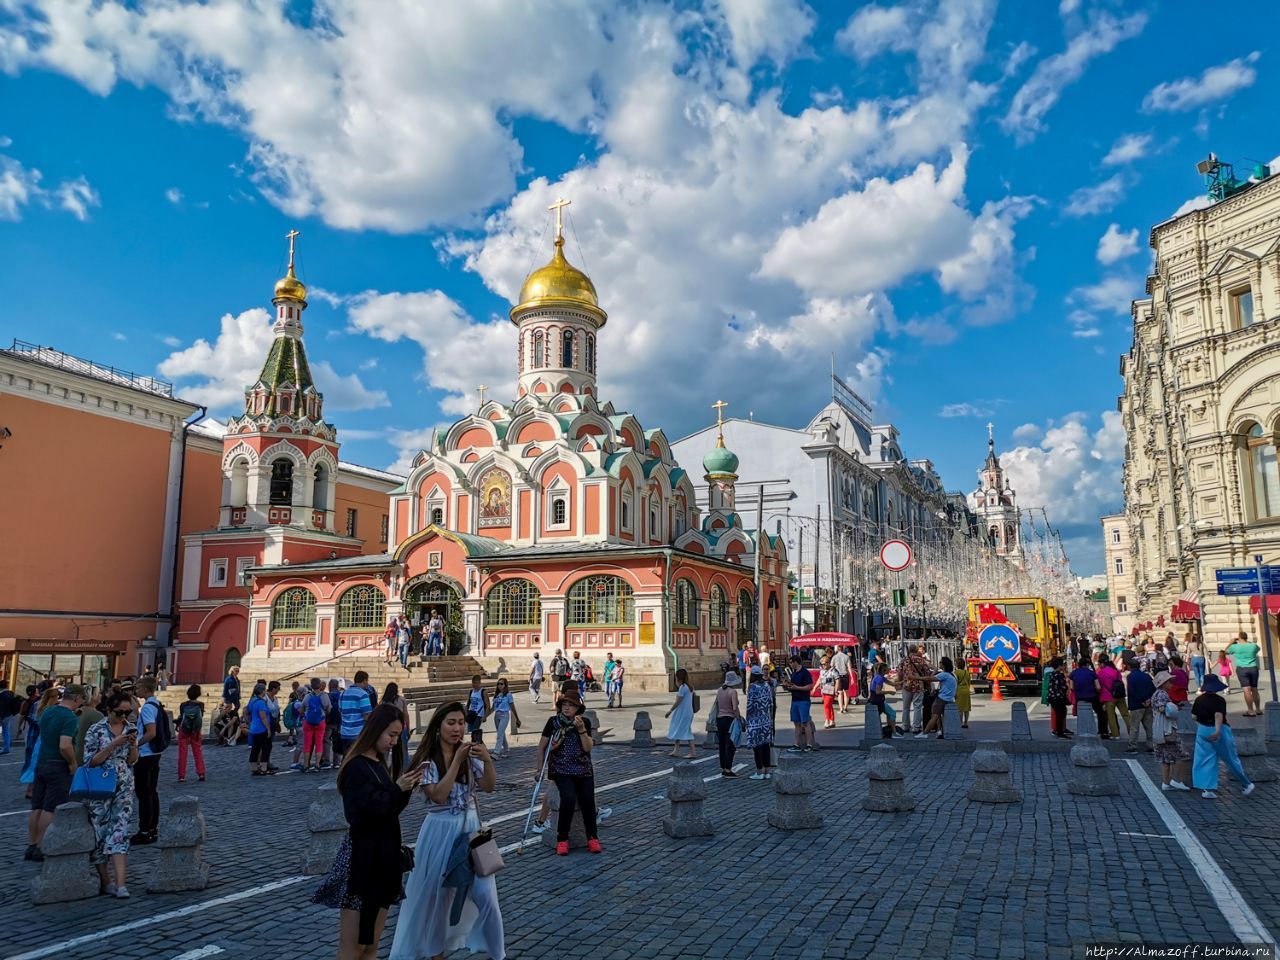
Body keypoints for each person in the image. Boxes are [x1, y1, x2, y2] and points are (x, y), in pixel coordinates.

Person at [314, 703, 423, 960]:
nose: (394, 742)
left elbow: (389, 810)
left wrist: (406, 789)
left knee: (371, 945)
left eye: (397, 736)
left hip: (384, 859)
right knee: (353, 949)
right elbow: (359, 814)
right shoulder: (356, 766)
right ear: (376, 730)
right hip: (362, 862)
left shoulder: (379, 763)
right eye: (391, 735)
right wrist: (396, 789)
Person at [83, 690, 139, 897]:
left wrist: (133, 746)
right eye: (119, 712)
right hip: (99, 784)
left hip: (124, 784)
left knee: (120, 830)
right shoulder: (96, 730)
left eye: (127, 712)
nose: (124, 716)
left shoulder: (130, 728)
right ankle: (106, 881)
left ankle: (121, 883)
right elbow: (90, 761)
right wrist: (113, 744)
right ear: (108, 710)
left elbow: (132, 760)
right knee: (100, 832)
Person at [536, 687, 601, 857]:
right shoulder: (553, 722)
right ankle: (562, 839)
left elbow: (588, 747)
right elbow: (542, 747)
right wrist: (539, 770)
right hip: (561, 769)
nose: (567, 707)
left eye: (571, 705)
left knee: (588, 801)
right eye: (564, 704)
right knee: (569, 798)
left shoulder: (584, 722)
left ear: (578, 708)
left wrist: (581, 730)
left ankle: (592, 837)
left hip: (583, 769)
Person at [24, 684, 84, 862]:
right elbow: (65, 745)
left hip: (42, 762)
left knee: (37, 806)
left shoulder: (48, 711)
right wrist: (72, 763)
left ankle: (31, 844)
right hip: (58, 765)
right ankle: (41, 846)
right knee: (50, 808)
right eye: (81, 699)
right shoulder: (69, 717)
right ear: (76, 698)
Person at [1191, 675, 1254, 800]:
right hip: (1219, 729)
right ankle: (1246, 783)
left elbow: (1194, 716)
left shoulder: (1199, 699)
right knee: (1230, 758)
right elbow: (1218, 716)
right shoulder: (1219, 700)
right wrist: (1217, 730)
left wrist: (1202, 725)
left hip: (1202, 729)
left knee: (1204, 758)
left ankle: (1207, 789)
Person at [131, 677, 165, 844]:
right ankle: (152, 827)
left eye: (138, 687)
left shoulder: (147, 708)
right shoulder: (156, 704)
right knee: (151, 792)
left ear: (145, 689)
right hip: (155, 752)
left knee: (144, 793)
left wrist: (136, 744)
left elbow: (151, 732)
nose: (135, 690)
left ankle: (144, 830)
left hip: (145, 754)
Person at [1150, 671, 1191, 792]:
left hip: (1158, 729)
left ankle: (1166, 782)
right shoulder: (1162, 694)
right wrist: (1174, 707)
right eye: (1169, 682)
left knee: (1165, 758)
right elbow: (1165, 710)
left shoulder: (1156, 694)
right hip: (1167, 728)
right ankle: (1177, 780)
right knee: (1182, 755)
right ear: (1163, 683)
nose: (1172, 684)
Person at [745, 666, 775, 779]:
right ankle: (767, 771)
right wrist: (770, 717)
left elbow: (750, 705)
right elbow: (771, 703)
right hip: (766, 720)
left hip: (755, 720)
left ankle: (759, 771)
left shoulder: (752, 687)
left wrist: (747, 719)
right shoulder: (766, 685)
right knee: (766, 745)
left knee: (757, 746)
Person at [781, 655, 816, 752]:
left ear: (795, 662)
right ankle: (797, 744)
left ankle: (809, 744)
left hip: (803, 700)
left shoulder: (805, 673)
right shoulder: (794, 673)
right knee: (796, 723)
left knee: (805, 723)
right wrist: (787, 685)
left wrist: (797, 688)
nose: (790, 664)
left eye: (791, 662)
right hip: (794, 700)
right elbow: (793, 686)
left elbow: (810, 686)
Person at [297, 678, 331, 773]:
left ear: (311, 686)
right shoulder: (324, 696)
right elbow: (329, 709)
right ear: (320, 685)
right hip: (320, 722)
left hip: (308, 722)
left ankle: (306, 765)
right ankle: (317, 764)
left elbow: (301, 709)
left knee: (307, 744)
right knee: (319, 743)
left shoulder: (307, 696)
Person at [1225, 632, 1263, 717]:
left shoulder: (1235, 647)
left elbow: (1225, 652)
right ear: (1246, 637)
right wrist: (1248, 642)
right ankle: (1258, 709)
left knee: (1246, 690)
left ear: (1239, 638)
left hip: (1242, 669)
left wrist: (1231, 643)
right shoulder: (1253, 645)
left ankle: (1250, 711)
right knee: (1254, 689)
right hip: (1253, 668)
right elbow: (1258, 649)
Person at [714, 671, 744, 777]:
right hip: (729, 720)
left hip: (720, 719)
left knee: (722, 744)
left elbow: (717, 705)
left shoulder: (719, 690)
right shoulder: (733, 692)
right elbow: (735, 708)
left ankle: (723, 767)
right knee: (730, 745)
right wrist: (739, 719)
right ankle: (728, 769)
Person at [898, 646, 931, 735]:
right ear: (916, 651)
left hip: (906, 684)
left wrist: (900, 683)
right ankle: (916, 727)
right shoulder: (920, 660)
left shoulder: (904, 660)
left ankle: (905, 726)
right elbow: (927, 672)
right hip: (918, 685)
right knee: (917, 706)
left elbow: (899, 673)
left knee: (906, 707)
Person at [920, 657, 957, 739]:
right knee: (939, 716)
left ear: (943, 665)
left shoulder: (944, 674)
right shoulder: (953, 675)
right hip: (949, 699)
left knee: (934, 716)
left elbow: (929, 679)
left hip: (942, 699)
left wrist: (915, 678)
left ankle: (925, 733)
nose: (939, 663)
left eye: (940, 662)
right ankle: (939, 731)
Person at [176, 684, 207, 782]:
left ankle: (181, 775)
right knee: (197, 751)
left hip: (184, 728)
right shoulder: (201, 705)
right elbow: (200, 716)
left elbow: (181, 716)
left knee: (182, 752)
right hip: (195, 730)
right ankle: (201, 773)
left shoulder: (183, 705)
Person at [664, 668, 696, 758]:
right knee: (679, 729)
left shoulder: (682, 688)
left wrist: (670, 711)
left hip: (683, 712)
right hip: (687, 712)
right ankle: (676, 750)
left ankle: (692, 752)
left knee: (686, 731)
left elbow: (678, 702)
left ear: (678, 678)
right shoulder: (689, 686)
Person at [1123, 661, 1154, 754]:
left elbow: (1132, 691)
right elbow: (1153, 688)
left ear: (1130, 666)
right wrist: (1148, 699)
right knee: (1149, 726)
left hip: (1136, 705)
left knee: (1134, 727)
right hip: (1148, 704)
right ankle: (1151, 745)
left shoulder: (1130, 677)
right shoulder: (1146, 676)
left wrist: (1141, 701)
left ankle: (1132, 746)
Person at [340, 671, 375, 754]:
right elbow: (367, 715)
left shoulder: (343, 693)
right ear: (364, 680)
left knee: (346, 757)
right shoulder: (363, 694)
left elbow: (341, 711)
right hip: (358, 733)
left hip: (344, 732)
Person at [1069, 658, 1104, 736]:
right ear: (1087, 664)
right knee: (1100, 712)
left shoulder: (1073, 673)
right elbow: (1098, 687)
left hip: (1079, 697)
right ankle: (1102, 730)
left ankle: (1082, 729)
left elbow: (1071, 687)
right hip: (1091, 696)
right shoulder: (1092, 673)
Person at [246, 682, 275, 777]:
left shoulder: (252, 701)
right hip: (261, 729)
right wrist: (268, 728)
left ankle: (254, 768)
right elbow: (263, 717)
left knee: (255, 748)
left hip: (254, 728)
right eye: (264, 690)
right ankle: (263, 768)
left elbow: (246, 712)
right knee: (266, 748)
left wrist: (249, 722)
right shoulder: (261, 703)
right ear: (262, 691)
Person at [1097, 654, 1127, 740]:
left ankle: (1115, 734)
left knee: (1111, 717)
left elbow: (1099, 685)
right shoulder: (1116, 671)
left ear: (1102, 664)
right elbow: (1120, 680)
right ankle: (1132, 732)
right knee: (1125, 715)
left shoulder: (1101, 673)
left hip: (1108, 697)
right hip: (1119, 695)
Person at [491, 678, 519, 758]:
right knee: (501, 733)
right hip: (497, 715)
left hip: (505, 715)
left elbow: (512, 706)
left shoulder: (508, 695)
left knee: (499, 734)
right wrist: (485, 716)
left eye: (501, 684)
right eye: (498, 683)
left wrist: (517, 718)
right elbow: (493, 708)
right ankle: (507, 751)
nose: (499, 685)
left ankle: (496, 752)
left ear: (505, 685)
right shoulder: (496, 695)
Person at [1046, 657, 1070, 738]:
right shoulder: (1060, 674)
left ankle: (1058, 730)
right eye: (1062, 665)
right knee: (1061, 714)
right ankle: (1060, 732)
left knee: (1058, 714)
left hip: (1052, 697)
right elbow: (1063, 686)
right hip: (1059, 697)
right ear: (1059, 665)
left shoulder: (1052, 674)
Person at [465, 675, 491, 744]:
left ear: (479, 683)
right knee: (472, 732)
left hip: (479, 714)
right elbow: (468, 703)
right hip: (471, 713)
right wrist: (466, 712)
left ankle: (476, 746)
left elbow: (488, 706)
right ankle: (479, 745)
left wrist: (485, 716)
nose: (474, 685)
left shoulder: (483, 692)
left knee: (475, 731)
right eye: (473, 683)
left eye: (476, 683)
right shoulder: (471, 691)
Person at [816, 656, 840, 729]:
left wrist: (836, 690)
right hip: (824, 690)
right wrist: (815, 687)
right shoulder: (822, 670)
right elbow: (820, 679)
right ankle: (832, 721)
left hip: (831, 690)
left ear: (828, 663)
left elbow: (837, 680)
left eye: (824, 664)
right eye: (822, 664)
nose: (823, 666)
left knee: (826, 705)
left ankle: (827, 720)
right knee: (829, 706)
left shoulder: (833, 670)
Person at [326, 678, 345, 768]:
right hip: (339, 721)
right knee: (337, 741)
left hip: (329, 721)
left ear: (329, 686)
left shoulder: (328, 696)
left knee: (326, 741)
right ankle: (336, 762)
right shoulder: (342, 695)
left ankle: (326, 760)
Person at [831, 646, 853, 714]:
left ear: (837, 649)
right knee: (846, 692)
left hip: (838, 676)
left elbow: (831, 666)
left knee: (840, 693)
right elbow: (849, 668)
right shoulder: (846, 657)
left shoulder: (834, 657)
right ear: (843, 649)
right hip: (845, 675)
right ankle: (845, 707)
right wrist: (852, 677)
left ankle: (841, 709)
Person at [0, 679, 18, 755]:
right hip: (9, 714)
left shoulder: (1, 695)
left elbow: (1, 707)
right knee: (6, 731)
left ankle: (5, 749)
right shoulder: (11, 693)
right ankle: (6, 748)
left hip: (2, 715)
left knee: (4, 731)